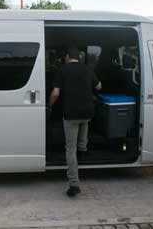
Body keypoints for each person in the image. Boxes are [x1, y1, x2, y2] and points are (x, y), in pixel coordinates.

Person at [49, 46, 102, 197]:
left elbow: (55, 93)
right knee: (83, 130)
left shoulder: (63, 70)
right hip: (88, 112)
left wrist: (49, 105)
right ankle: (83, 150)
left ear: (66, 57)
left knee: (70, 149)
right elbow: (99, 86)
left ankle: (74, 184)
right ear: (78, 58)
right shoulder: (88, 69)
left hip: (71, 114)